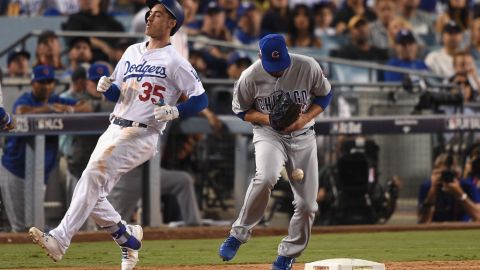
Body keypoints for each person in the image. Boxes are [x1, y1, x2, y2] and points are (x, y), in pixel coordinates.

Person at [28, 2, 208, 270]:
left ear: (172, 23)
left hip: (142, 132)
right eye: (149, 13)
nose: (150, 17)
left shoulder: (175, 61)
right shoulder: (132, 51)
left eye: (157, 14)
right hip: (115, 127)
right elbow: (118, 93)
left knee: (90, 178)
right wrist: (106, 88)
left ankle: (60, 239)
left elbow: (201, 99)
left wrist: (176, 110)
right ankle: (126, 237)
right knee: (93, 191)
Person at [218, 34, 332, 270]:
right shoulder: (250, 76)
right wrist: (266, 118)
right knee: (267, 176)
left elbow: (325, 94)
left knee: (308, 205)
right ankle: (238, 234)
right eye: (273, 66)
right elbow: (241, 111)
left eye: (281, 65)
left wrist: (306, 118)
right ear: (261, 57)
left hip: (303, 135)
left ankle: (287, 255)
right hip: (269, 134)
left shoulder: (307, 66)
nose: (278, 71)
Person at [0, 65, 88, 232]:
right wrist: (50, 109)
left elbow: (85, 105)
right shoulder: (25, 99)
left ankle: (32, 256)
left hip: (40, 174)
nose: (47, 86)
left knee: (34, 227)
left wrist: (69, 109)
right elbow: (21, 111)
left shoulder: (56, 100)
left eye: (50, 82)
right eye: (42, 82)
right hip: (15, 171)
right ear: (33, 83)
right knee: (21, 227)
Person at [418, 153, 480, 223]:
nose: (445, 178)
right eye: (441, 174)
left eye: (449, 174)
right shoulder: (427, 186)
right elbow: (422, 223)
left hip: (461, 227)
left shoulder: (466, 186)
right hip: (435, 228)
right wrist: (432, 192)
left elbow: (478, 217)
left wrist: (461, 194)